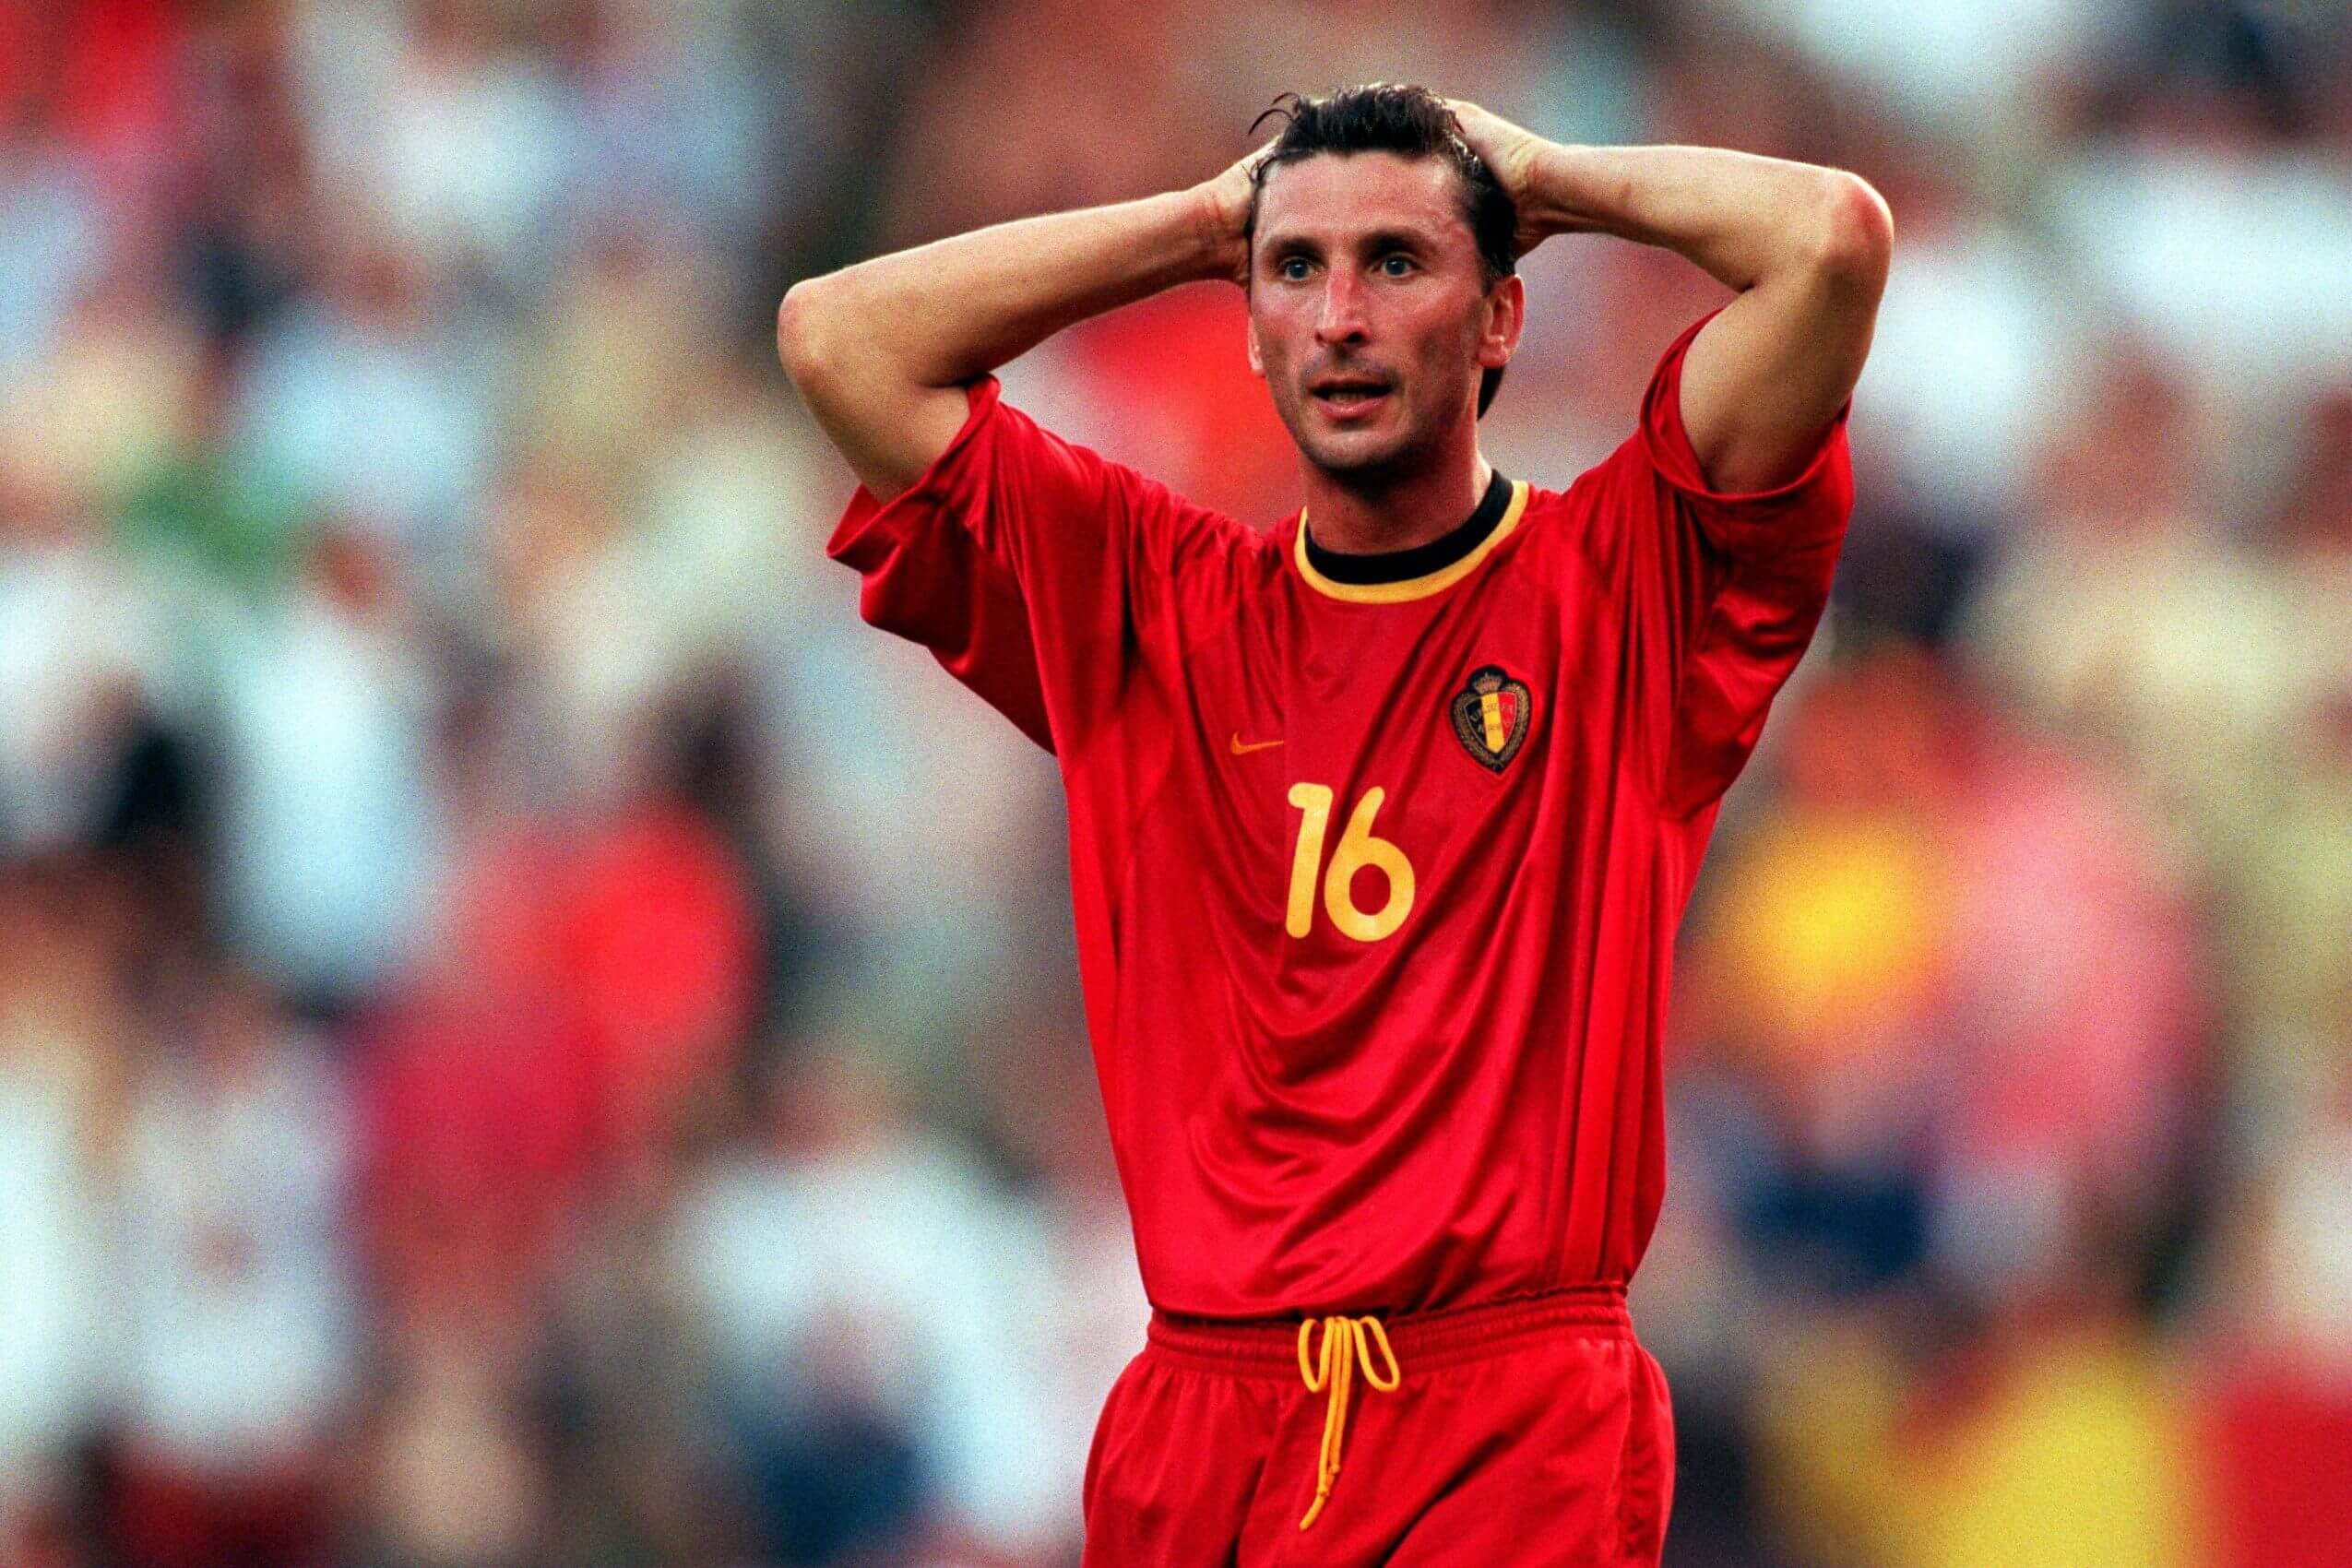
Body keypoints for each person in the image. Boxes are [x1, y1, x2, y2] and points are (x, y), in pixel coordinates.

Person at [778, 83, 1889, 1567]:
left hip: (1506, 1420)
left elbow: (1827, 241)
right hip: (1204, 1423)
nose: (1340, 316)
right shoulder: (1151, 603)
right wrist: (1196, 223)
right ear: (1247, 323)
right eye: (1295, 271)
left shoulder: (1620, 584)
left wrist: (1544, 174)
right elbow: (838, 338)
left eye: (1397, 263)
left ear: (1500, 319)